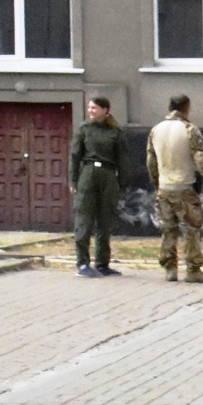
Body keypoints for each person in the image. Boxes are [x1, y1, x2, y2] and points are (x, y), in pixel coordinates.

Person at [146, 95, 203, 283]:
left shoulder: (156, 130)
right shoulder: (189, 129)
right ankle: (193, 269)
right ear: (187, 108)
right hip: (185, 186)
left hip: (164, 186)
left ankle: (170, 267)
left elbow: (151, 161)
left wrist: (156, 182)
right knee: (191, 229)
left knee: (168, 229)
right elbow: (200, 158)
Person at [68, 95, 126, 277]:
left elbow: (123, 160)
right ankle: (83, 263)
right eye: (89, 107)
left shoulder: (115, 132)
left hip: (108, 175)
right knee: (84, 219)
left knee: (104, 221)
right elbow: (75, 156)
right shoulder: (84, 129)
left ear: (105, 110)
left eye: (94, 108)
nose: (90, 111)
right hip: (88, 173)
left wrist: (122, 184)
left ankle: (102, 263)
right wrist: (73, 180)